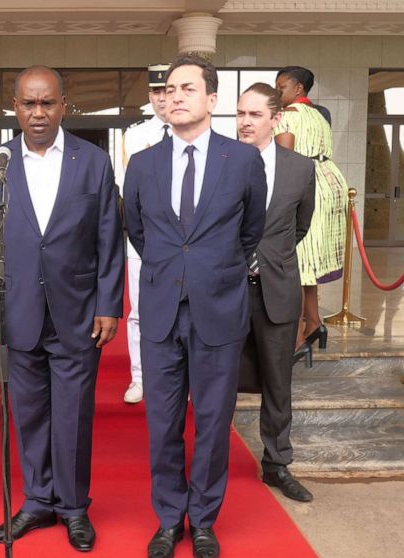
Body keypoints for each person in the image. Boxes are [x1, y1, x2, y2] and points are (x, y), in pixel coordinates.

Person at [0, 65, 124, 552]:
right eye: (28, 104)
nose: (38, 113)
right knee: (29, 412)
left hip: (78, 310)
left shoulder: (93, 161)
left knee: (74, 414)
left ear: (64, 105)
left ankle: (74, 506)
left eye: (47, 103)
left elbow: (108, 238)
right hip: (18, 311)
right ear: (15, 107)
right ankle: (37, 501)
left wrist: (108, 303)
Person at [125, 55, 266, 558]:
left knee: (211, 421)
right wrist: (175, 269)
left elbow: (251, 230)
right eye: (169, 89)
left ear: (211, 100)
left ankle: (203, 519)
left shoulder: (243, 160)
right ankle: (169, 518)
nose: (175, 96)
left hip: (219, 309)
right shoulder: (142, 163)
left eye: (188, 88)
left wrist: (211, 268)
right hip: (162, 310)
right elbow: (138, 231)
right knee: (162, 423)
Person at [236, 83, 316, 503]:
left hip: (277, 289)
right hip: (227, 292)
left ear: (275, 119)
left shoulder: (300, 169)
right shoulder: (222, 161)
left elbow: (299, 226)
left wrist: (270, 259)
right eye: (240, 114)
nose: (245, 122)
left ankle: (276, 463)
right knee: (218, 380)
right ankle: (212, 462)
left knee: (278, 383)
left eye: (254, 115)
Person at [274, 66, 348, 359]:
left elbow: (285, 159)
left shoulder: (288, 117)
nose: (277, 92)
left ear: (298, 90)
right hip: (330, 183)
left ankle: (294, 338)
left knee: (293, 262)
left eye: (281, 87)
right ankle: (315, 322)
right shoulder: (320, 115)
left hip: (304, 186)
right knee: (308, 263)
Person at [119, 63, 170, 405]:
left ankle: (183, 379)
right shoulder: (135, 136)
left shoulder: (197, 134)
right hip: (145, 240)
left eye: (168, 91)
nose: (163, 99)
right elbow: (129, 195)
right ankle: (140, 377)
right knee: (139, 311)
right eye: (156, 92)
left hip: (188, 243)